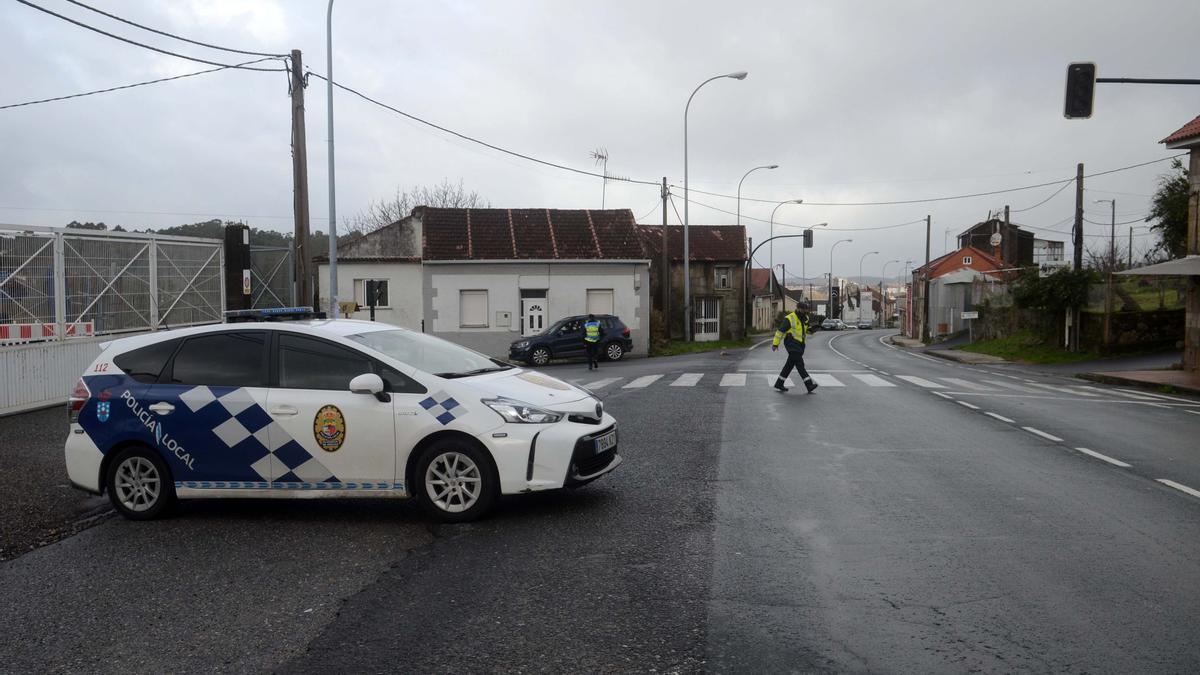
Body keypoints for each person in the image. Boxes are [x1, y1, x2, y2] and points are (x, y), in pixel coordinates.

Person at [771, 303, 818, 393]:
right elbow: (780, 332)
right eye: (803, 310)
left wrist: (812, 330)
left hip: (800, 345)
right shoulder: (790, 318)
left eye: (806, 310)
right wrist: (775, 344)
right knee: (800, 365)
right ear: (798, 309)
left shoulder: (805, 318)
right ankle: (809, 385)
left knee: (789, 365)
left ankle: (779, 383)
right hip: (791, 344)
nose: (805, 311)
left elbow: (806, 330)